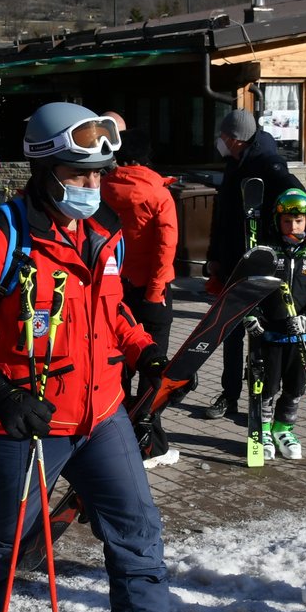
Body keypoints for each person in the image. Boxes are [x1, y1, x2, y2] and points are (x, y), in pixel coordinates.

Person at [0, 101, 197, 612]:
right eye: (78, 174)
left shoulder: (102, 236)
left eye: (98, 174)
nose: (90, 186)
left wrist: (147, 353)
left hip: (100, 415)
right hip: (24, 420)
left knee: (137, 526)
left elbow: (115, 313)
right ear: (44, 170)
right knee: (8, 536)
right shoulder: (2, 233)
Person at [200, 107, 294, 421]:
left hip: (259, 262)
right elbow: (222, 215)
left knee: (259, 335)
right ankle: (229, 395)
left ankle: (262, 398)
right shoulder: (233, 163)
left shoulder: (268, 163)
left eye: (223, 136)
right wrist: (213, 256)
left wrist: (281, 246)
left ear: (235, 138)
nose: (219, 141)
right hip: (230, 262)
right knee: (229, 333)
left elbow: (296, 203)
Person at [100, 128, 179, 464]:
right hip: (151, 290)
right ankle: (150, 444)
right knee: (152, 364)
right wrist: (157, 291)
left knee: (117, 363)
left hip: (115, 289)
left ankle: (111, 435)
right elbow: (166, 247)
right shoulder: (159, 193)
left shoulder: (103, 187)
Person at [251, 188, 306, 461]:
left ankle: (284, 429)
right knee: (268, 388)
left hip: (301, 337)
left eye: (298, 220)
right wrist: (253, 318)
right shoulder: (268, 251)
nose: (293, 226)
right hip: (271, 335)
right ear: (277, 222)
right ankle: (265, 429)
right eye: (286, 221)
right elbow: (251, 289)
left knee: (295, 387)